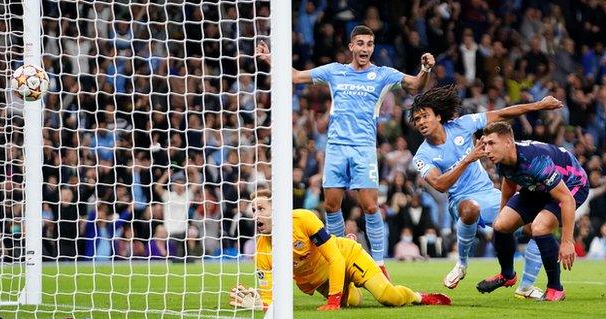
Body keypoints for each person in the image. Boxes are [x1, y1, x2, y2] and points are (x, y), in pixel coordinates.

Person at [256, 25, 435, 277]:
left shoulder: (383, 74)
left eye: (369, 44)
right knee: (331, 206)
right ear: (351, 46)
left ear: (373, 47)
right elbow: (295, 76)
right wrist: (269, 58)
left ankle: (380, 264)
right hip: (336, 148)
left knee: (371, 206)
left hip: (363, 148)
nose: (365, 48)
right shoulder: (334, 71)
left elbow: (416, 85)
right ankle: (338, 259)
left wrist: (425, 69)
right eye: (360, 43)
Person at [410, 85, 562, 298]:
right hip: (460, 201)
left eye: (424, 116)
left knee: (536, 227)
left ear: (438, 116)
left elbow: (501, 113)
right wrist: (468, 159)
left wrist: (539, 105)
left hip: (489, 194)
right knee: (471, 208)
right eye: (417, 120)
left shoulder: (462, 125)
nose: (421, 122)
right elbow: (440, 184)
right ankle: (461, 264)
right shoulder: (421, 155)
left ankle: (525, 286)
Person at [229, 190, 451, 311]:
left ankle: (419, 297)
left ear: (276, 209)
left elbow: (334, 257)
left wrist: (333, 300)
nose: (256, 214)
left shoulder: (303, 219)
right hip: (322, 280)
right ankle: (351, 286)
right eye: (253, 210)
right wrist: (263, 304)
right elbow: (268, 292)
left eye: (261, 208)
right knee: (354, 304)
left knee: (388, 297)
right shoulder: (262, 251)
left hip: (345, 256)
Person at [477, 121, 590, 301]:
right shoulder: (501, 159)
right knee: (501, 225)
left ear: (508, 142)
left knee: (540, 227)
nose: (487, 150)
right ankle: (507, 275)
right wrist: (501, 213)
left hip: (572, 186)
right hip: (540, 187)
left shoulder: (535, 160)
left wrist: (567, 241)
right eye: (485, 144)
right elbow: (509, 183)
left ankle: (555, 288)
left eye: (491, 143)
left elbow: (566, 199)